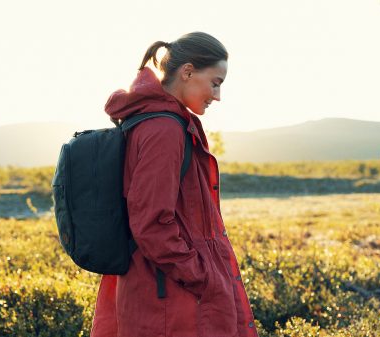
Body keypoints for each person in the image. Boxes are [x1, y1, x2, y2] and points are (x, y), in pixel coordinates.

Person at [90, 32, 258, 337]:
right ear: (188, 71)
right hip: (172, 299)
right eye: (215, 83)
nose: (217, 96)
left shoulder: (158, 121)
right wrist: (201, 276)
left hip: (164, 290)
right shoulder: (163, 129)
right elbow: (152, 222)